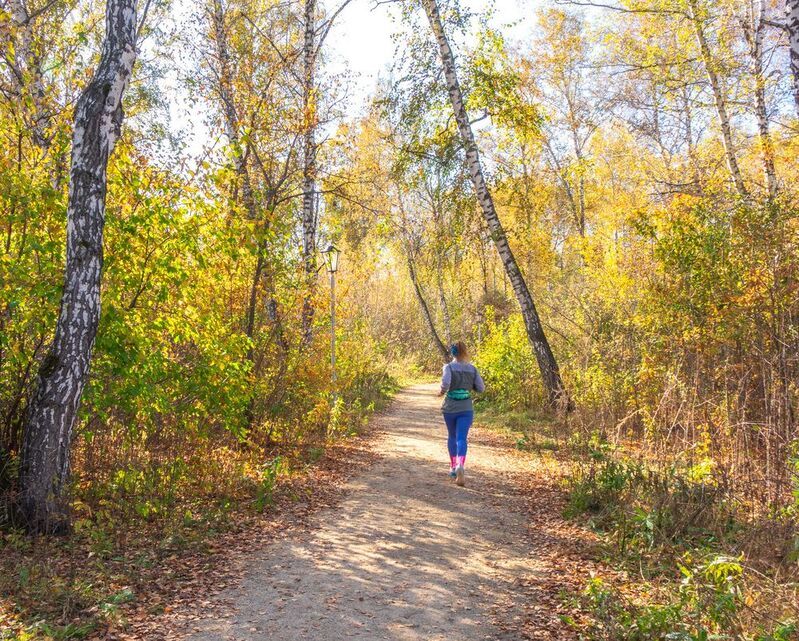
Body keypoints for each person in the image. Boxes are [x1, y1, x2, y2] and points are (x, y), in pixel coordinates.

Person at [438, 341, 485, 487]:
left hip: (450, 407)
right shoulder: (472, 369)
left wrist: (440, 392)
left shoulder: (448, 367)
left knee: (452, 436)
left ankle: (453, 468)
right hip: (466, 408)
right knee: (462, 438)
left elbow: (445, 384)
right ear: (465, 351)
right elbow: (481, 388)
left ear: (452, 352)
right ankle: (460, 464)